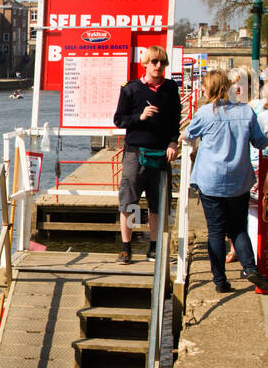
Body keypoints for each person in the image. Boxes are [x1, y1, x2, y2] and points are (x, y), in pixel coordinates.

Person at [184, 68, 268, 295]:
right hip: (239, 181)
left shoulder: (205, 112)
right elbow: (260, 142)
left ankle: (220, 281)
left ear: (209, 88)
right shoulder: (246, 111)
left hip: (211, 181)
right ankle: (250, 268)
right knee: (238, 228)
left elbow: (188, 134)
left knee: (215, 232)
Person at [113, 45, 181, 265]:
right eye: (155, 62)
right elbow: (119, 120)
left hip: (161, 155)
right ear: (145, 63)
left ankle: (153, 248)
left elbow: (174, 121)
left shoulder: (170, 89)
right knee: (130, 202)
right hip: (135, 153)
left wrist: (173, 142)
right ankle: (126, 248)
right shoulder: (130, 89)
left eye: (162, 63)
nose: (159, 67)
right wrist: (139, 117)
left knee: (158, 204)